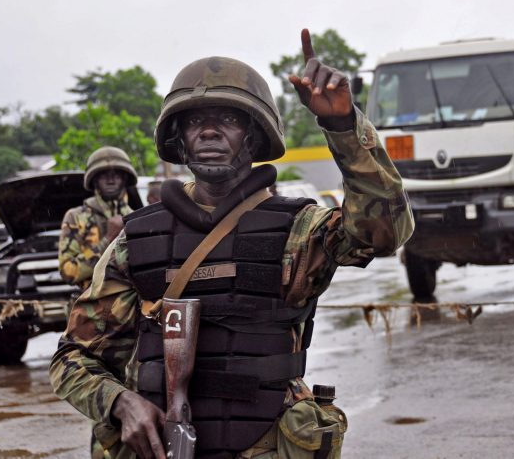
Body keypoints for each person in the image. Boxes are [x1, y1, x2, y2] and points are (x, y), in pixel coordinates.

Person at [50, 29, 414, 459]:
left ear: (255, 137)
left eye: (229, 119)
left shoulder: (299, 231)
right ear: (178, 139)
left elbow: (386, 231)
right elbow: (72, 359)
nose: (208, 132)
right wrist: (119, 402)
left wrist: (342, 125)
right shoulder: (136, 240)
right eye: (193, 121)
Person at [58, 146, 138, 290]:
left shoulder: (135, 217)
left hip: (130, 303)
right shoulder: (76, 218)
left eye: (117, 175)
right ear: (94, 180)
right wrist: (107, 240)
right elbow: (68, 272)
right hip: (89, 306)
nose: (111, 180)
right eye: (104, 175)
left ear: (125, 179)